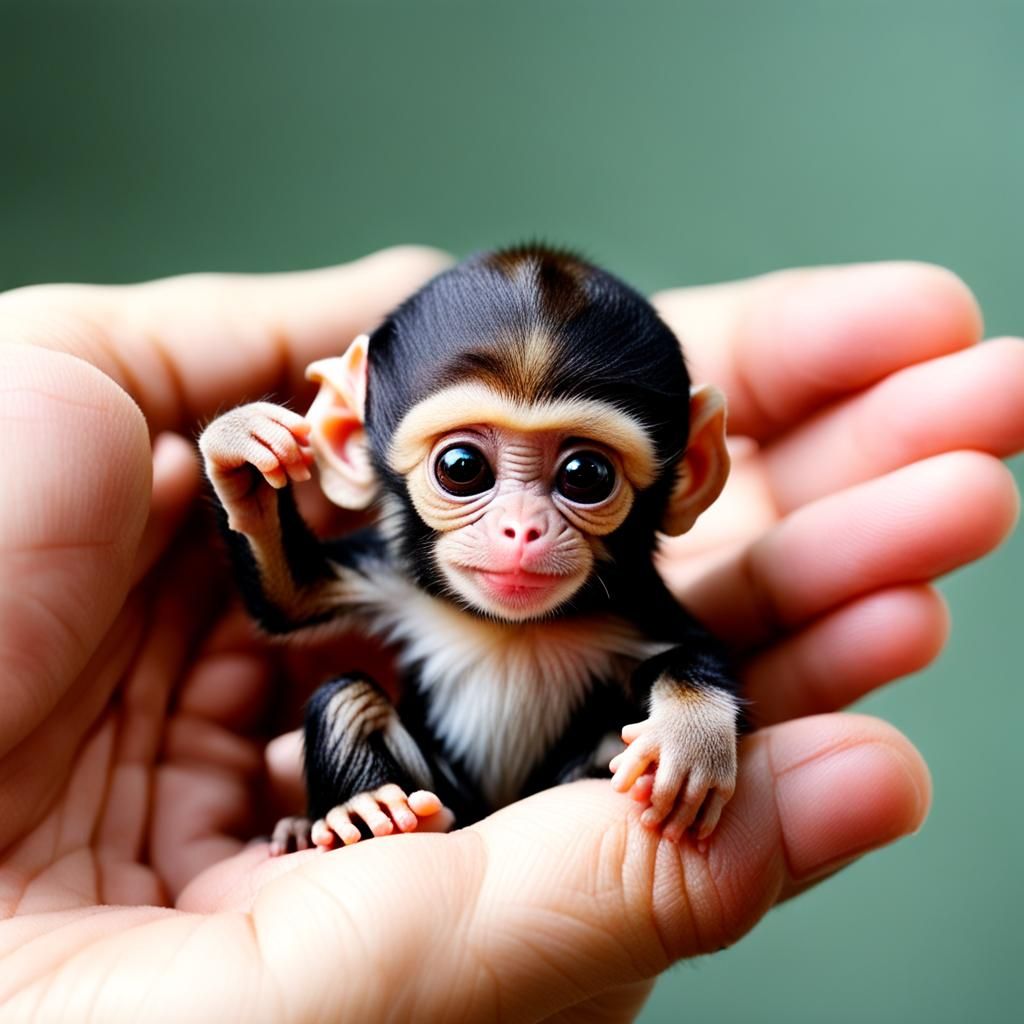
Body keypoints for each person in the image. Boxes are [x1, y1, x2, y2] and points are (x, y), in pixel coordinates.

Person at [0, 246, 1020, 1022]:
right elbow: (293, 601)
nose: (521, 528)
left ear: (689, 473)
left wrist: (694, 735)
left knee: (639, 748)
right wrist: (252, 502)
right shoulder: (413, 577)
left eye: (583, 475)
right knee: (341, 704)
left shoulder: (619, 611)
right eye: (464, 469)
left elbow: (694, 672)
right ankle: (355, 819)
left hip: (571, 790)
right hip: (418, 790)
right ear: (354, 440)